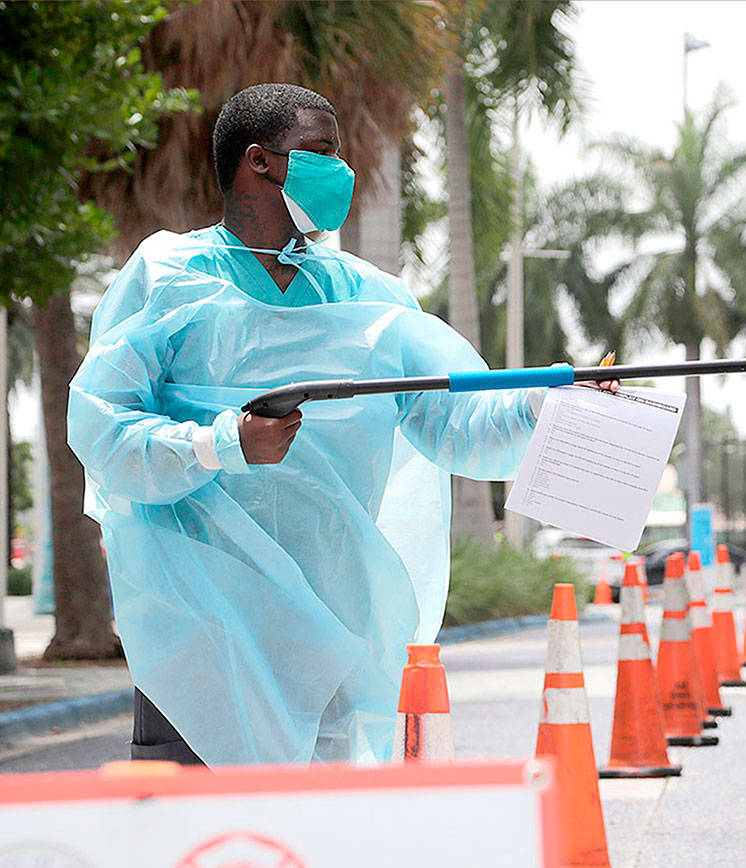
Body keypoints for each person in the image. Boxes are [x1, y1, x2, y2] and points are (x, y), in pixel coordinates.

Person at [67, 83, 612, 767]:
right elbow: (102, 429)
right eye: (321, 151)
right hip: (202, 609)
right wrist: (224, 444)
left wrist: (545, 398)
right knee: (204, 831)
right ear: (260, 162)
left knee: (323, 829)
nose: (342, 171)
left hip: (334, 621)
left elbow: (456, 425)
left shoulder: (370, 297)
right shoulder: (170, 275)